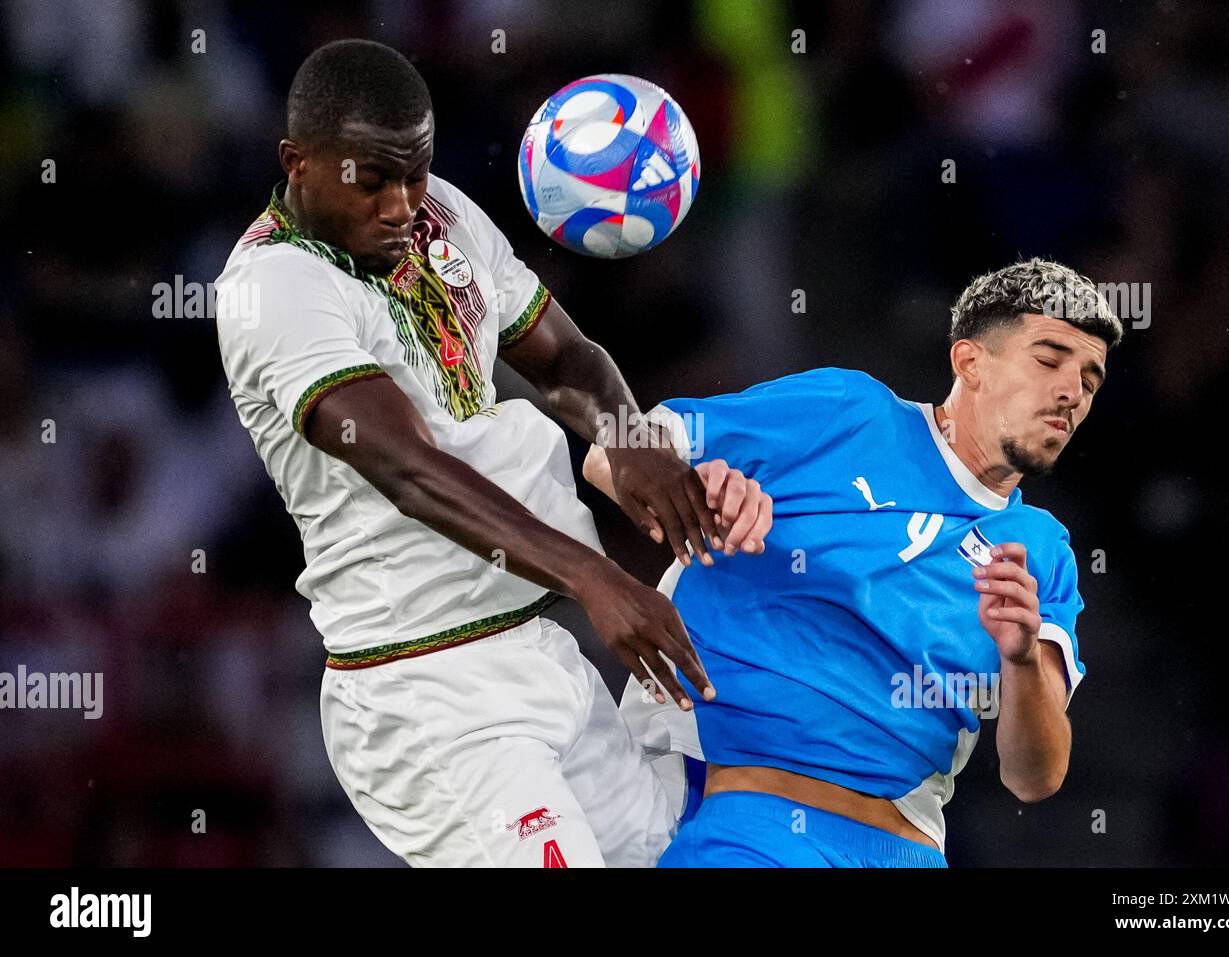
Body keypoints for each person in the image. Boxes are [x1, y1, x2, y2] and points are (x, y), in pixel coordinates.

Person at [214, 39, 771, 867]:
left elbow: (564, 359)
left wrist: (630, 442)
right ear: (299, 163)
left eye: (416, 172)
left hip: (539, 648)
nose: (402, 204)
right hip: (424, 691)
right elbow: (408, 467)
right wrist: (593, 576)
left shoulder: (440, 211)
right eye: (373, 180)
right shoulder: (273, 287)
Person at [586, 258, 1121, 866]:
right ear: (970, 362)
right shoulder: (850, 411)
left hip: (912, 852)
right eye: (1049, 360)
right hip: (755, 827)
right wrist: (697, 498)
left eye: (1091, 380)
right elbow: (614, 449)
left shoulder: (1042, 550)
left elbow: (1035, 777)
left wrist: (1021, 659)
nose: (1071, 392)